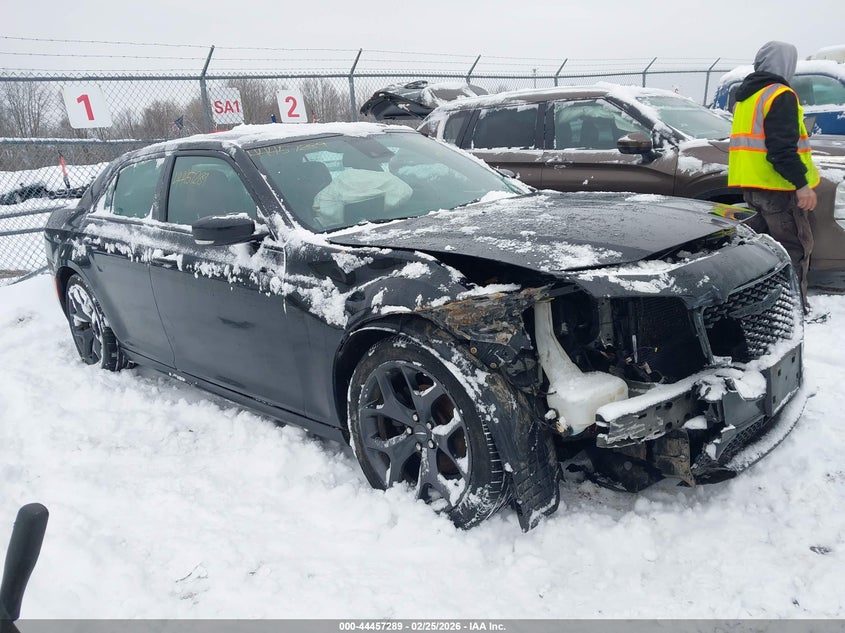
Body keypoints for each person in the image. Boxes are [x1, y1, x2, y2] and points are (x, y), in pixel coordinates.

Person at [728, 40, 820, 313]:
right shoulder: (780, 94)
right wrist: (802, 185)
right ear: (786, 64)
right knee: (796, 248)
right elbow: (782, 149)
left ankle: (765, 307)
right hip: (779, 189)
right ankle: (794, 310)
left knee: (763, 251)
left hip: (754, 187)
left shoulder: (746, 96)